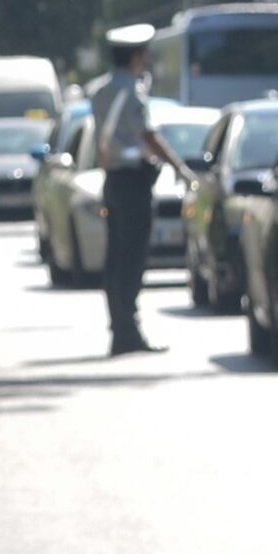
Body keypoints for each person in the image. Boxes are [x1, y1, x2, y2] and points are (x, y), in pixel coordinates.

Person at [91, 24, 195, 355]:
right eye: (144, 54)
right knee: (132, 258)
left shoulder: (101, 91)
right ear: (136, 57)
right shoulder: (132, 92)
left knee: (116, 257)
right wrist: (179, 167)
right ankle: (128, 331)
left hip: (112, 180)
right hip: (133, 182)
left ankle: (120, 328)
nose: (147, 59)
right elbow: (148, 136)